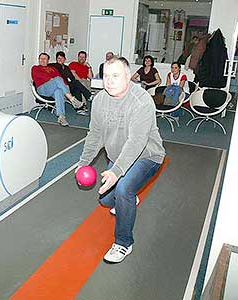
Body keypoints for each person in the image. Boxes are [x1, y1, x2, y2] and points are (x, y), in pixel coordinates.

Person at [76, 56, 166, 264]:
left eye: (115, 76)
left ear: (128, 77)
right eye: (106, 76)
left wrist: (117, 172)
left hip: (147, 155)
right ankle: (129, 200)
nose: (109, 81)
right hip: (119, 157)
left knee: (124, 188)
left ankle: (123, 243)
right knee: (105, 200)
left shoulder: (141, 101)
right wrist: (83, 162)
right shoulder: (99, 100)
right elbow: (95, 134)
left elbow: (136, 141)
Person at [31, 52, 83, 126]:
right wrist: (54, 80)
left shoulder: (53, 69)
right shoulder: (35, 68)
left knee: (58, 91)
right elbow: (42, 76)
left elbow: (61, 78)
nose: (42, 60)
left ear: (48, 61)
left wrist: (65, 85)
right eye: (41, 58)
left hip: (53, 88)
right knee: (57, 80)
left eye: (44, 59)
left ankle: (61, 117)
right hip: (42, 88)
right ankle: (72, 99)